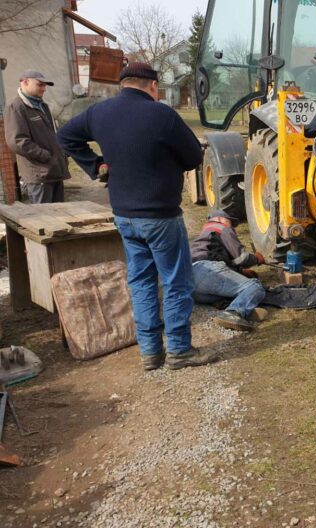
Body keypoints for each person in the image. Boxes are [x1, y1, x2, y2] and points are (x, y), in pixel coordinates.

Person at [56, 62, 217, 372]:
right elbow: (194, 157)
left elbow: (65, 136)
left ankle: (151, 352)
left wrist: (96, 164)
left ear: (124, 84)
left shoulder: (99, 112)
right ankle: (180, 350)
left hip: (124, 215)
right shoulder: (162, 114)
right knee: (176, 282)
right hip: (160, 216)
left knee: (141, 282)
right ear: (153, 86)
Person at [190, 210, 268, 331]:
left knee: (229, 294)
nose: (232, 226)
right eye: (230, 222)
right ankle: (233, 313)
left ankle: (238, 308)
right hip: (206, 271)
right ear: (220, 219)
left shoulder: (203, 236)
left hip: (192, 289)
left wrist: (241, 272)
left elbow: (218, 256)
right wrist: (257, 259)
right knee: (255, 287)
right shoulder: (222, 228)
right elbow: (242, 258)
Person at [3, 70, 70, 203]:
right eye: (40, 85)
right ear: (25, 82)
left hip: (54, 171)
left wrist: (61, 153)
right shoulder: (16, 107)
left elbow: (51, 135)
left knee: (59, 217)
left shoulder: (42, 106)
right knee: (44, 218)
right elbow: (17, 141)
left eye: (45, 85)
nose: (44, 89)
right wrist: (44, 155)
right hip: (39, 173)